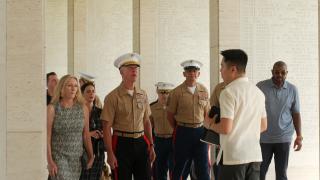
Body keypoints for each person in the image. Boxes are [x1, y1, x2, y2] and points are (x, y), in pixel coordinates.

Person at [206, 49, 267, 180]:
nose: (220, 70)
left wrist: (209, 123)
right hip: (254, 156)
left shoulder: (228, 92)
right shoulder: (258, 93)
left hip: (233, 158)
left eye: (222, 66)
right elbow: (263, 126)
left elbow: (225, 128)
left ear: (233, 69)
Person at [101, 53, 156, 180]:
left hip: (141, 142)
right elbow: (106, 126)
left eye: (136, 68)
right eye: (130, 68)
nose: (134, 70)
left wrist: (152, 145)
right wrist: (109, 153)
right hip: (121, 143)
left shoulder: (143, 94)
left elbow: (147, 121)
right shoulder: (112, 97)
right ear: (121, 72)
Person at [257, 61, 303, 180]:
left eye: (283, 72)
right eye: (277, 72)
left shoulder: (293, 89)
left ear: (287, 73)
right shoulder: (260, 86)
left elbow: (296, 113)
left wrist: (299, 136)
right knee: (259, 172)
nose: (280, 75)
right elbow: (254, 111)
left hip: (283, 138)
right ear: (272, 72)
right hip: (264, 138)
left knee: (281, 174)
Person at [167, 59, 211, 180]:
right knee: (179, 166)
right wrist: (178, 129)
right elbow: (170, 115)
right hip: (182, 132)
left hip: (200, 132)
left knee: (203, 167)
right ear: (184, 74)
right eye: (189, 71)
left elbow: (207, 113)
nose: (192, 73)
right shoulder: (176, 92)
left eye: (195, 71)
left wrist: (208, 132)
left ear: (198, 74)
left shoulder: (204, 90)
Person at [47, 74, 94, 180]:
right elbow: (47, 137)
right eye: (69, 85)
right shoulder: (52, 108)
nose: (73, 89)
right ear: (61, 88)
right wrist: (50, 161)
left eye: (76, 86)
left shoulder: (83, 109)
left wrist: (91, 155)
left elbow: (86, 135)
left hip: (76, 159)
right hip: (59, 157)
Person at [80, 82, 106, 180]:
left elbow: (106, 130)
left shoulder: (101, 112)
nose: (91, 94)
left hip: (98, 153)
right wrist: (90, 134)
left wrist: (103, 134)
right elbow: (75, 133)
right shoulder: (79, 112)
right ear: (82, 94)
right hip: (82, 152)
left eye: (93, 91)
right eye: (88, 91)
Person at [150, 82, 175, 180]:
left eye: (167, 93)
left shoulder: (175, 107)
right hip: (158, 141)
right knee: (159, 170)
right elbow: (149, 126)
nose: (164, 95)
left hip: (172, 141)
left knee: (174, 168)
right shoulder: (152, 107)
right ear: (157, 92)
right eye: (162, 92)